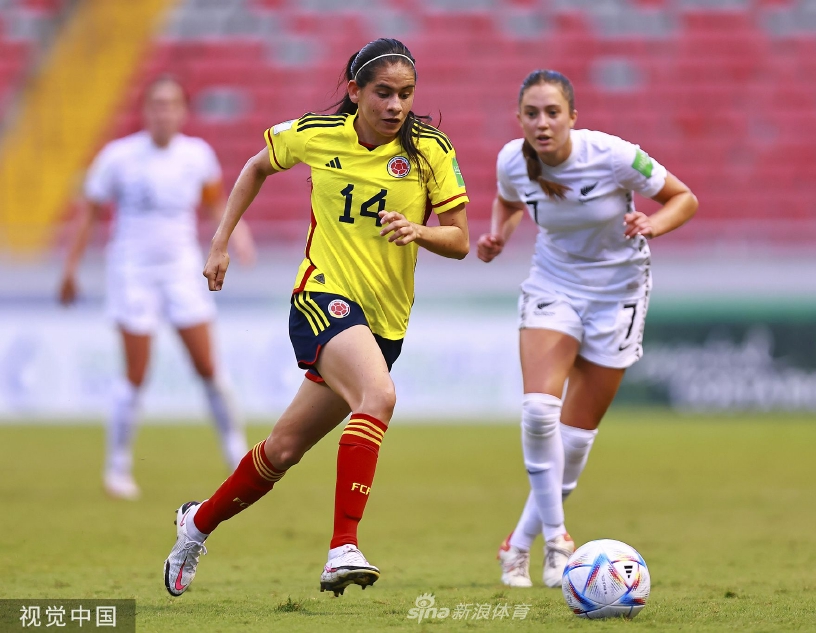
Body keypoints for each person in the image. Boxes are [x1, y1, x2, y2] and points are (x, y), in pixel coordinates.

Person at [162, 38, 470, 598]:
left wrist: (420, 230)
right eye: (383, 93)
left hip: (384, 322)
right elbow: (256, 167)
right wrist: (220, 243)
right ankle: (342, 548)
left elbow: (460, 240)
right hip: (321, 296)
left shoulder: (430, 150)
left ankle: (197, 523)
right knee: (379, 396)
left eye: (405, 94)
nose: (396, 105)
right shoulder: (314, 133)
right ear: (354, 91)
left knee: (282, 450)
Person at [477, 69, 698, 588]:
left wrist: (652, 224)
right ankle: (557, 539)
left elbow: (684, 198)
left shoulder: (615, 155)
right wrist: (498, 235)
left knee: (573, 442)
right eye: (532, 113)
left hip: (618, 293)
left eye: (553, 112)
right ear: (520, 119)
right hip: (553, 285)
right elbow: (509, 202)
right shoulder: (512, 160)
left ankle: (517, 544)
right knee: (538, 411)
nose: (542, 122)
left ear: (573, 117)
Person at [59, 75, 255, 501]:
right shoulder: (118, 157)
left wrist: (236, 237)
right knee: (135, 374)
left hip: (182, 271)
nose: (163, 112)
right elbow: (89, 215)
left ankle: (235, 450)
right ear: (145, 111)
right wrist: (70, 269)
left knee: (208, 367)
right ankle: (118, 467)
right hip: (132, 272)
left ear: (182, 112)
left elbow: (214, 202)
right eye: (156, 104)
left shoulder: (196, 155)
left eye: (171, 104)